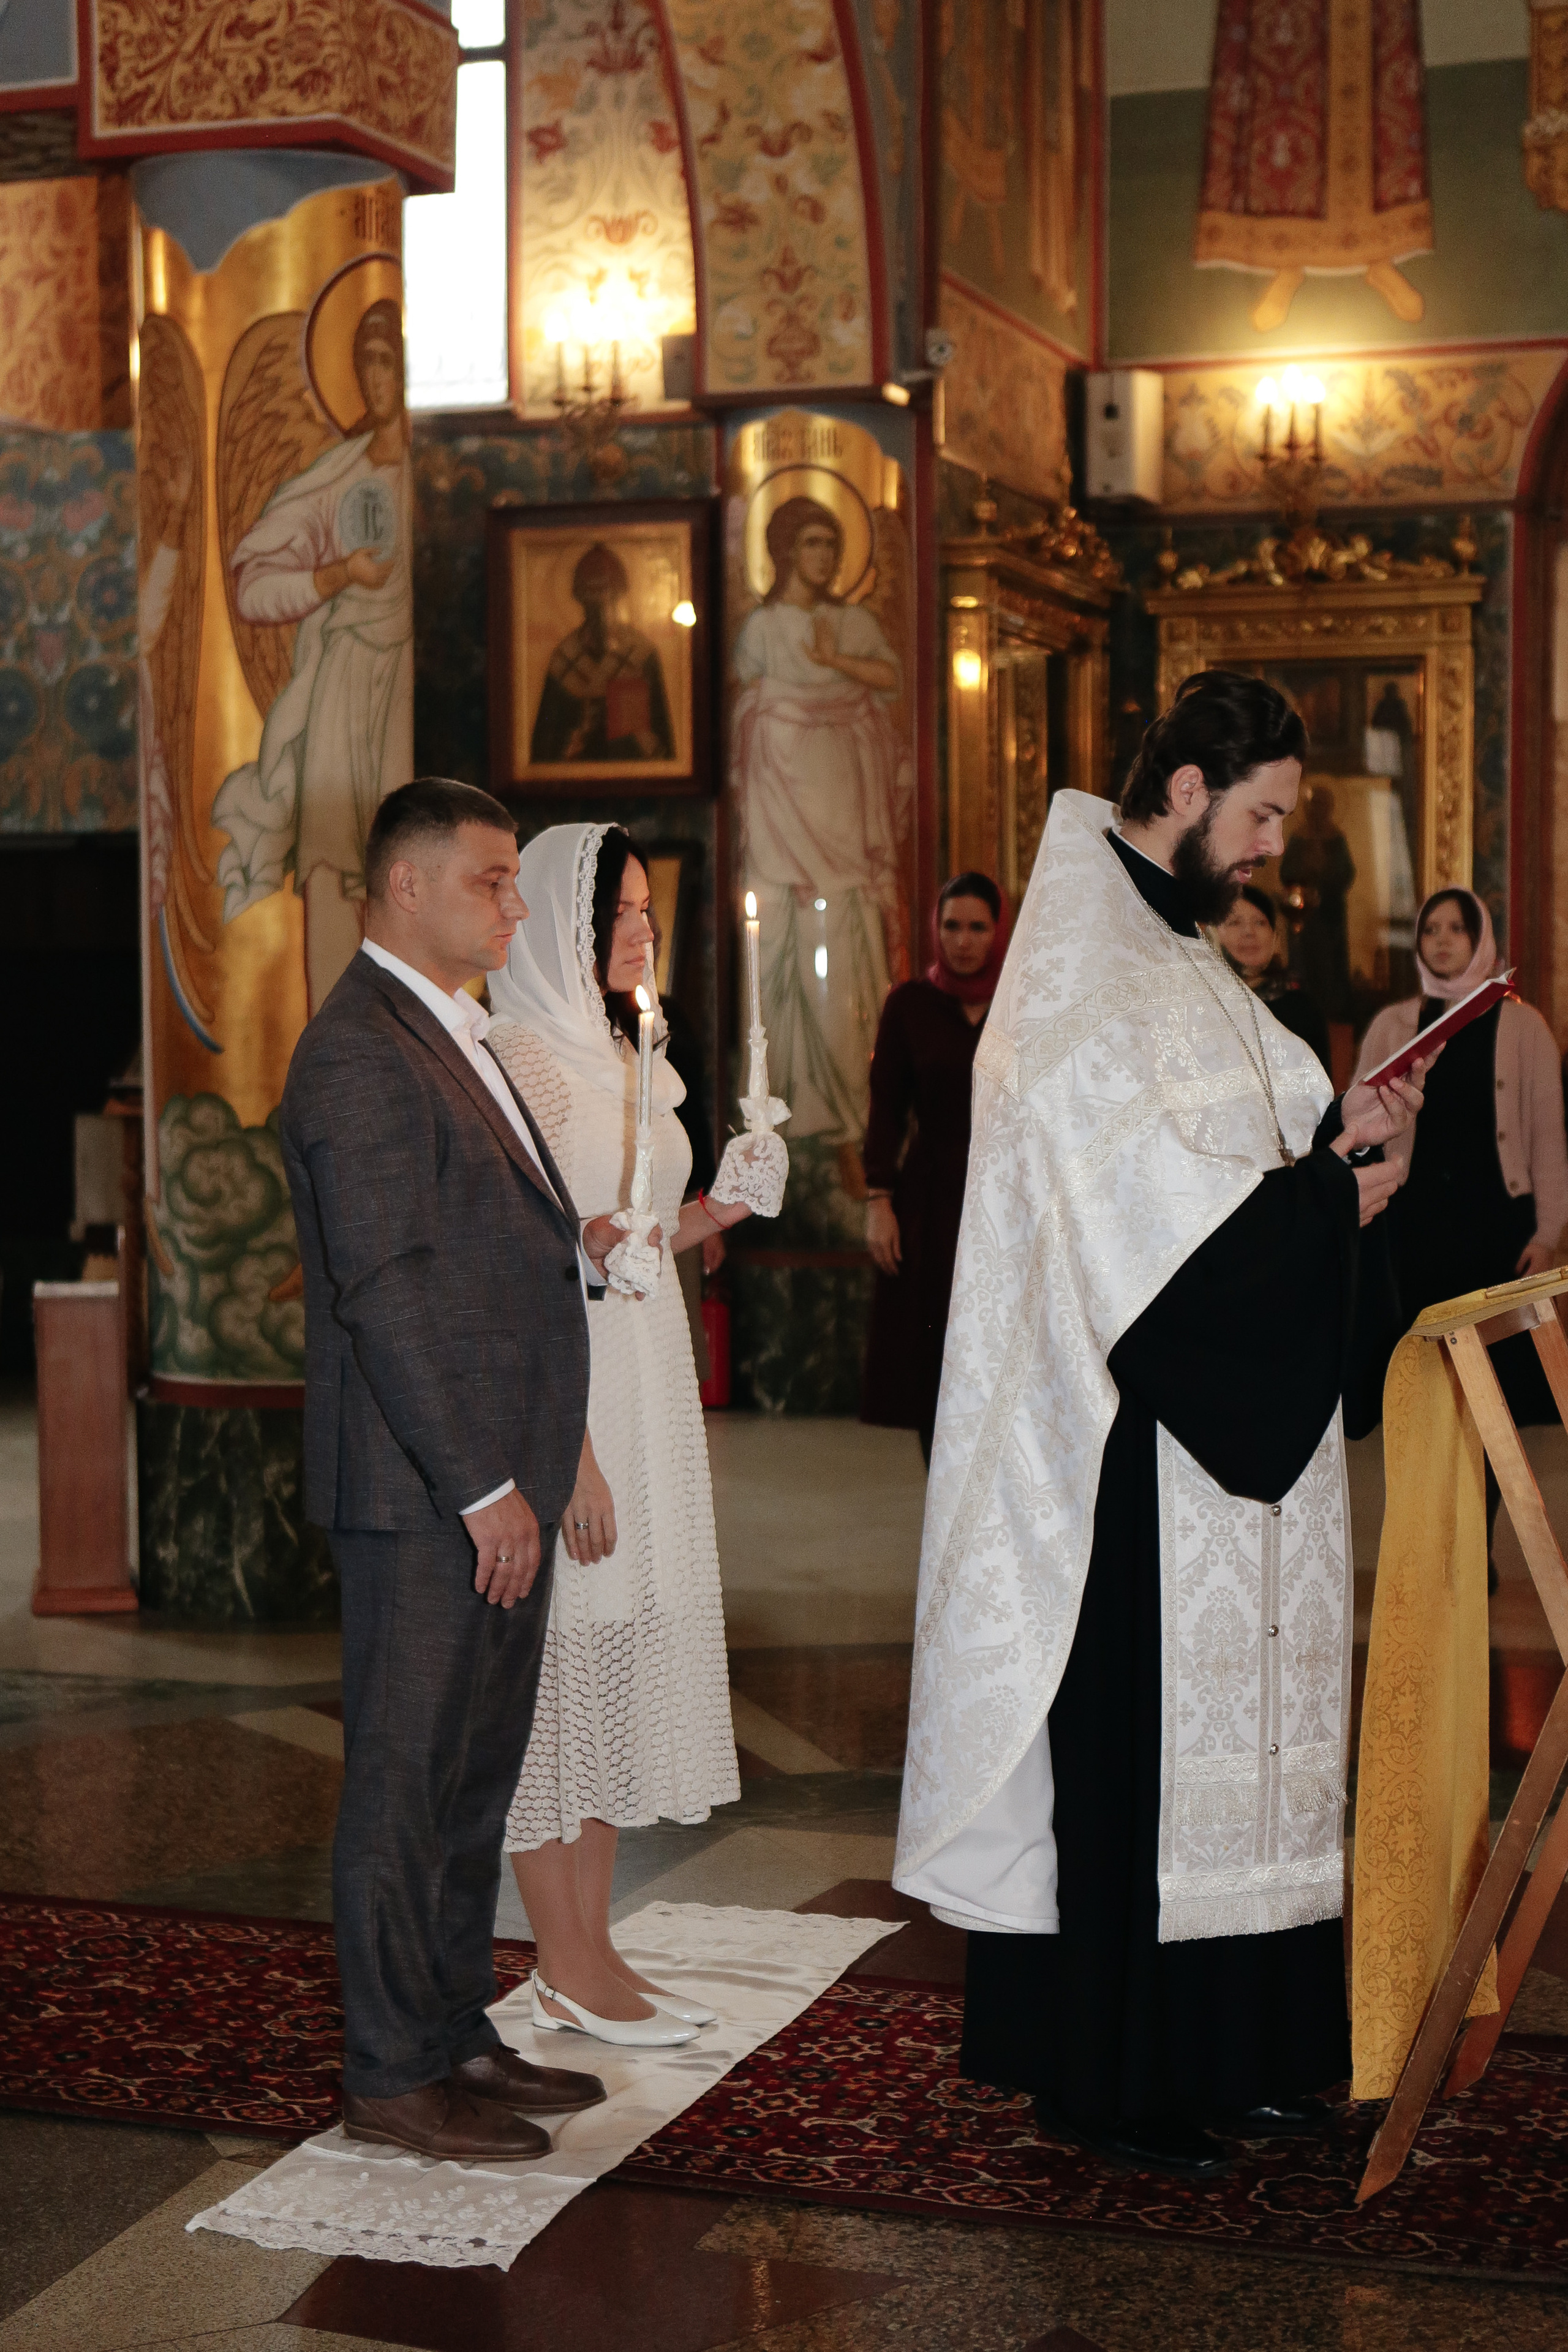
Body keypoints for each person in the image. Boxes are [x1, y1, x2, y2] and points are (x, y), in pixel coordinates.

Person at [893, 671, 1434, 2180]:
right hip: (1132, 1450)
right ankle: (1110, 2078)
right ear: (1187, 789)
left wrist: (1342, 1154)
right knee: (1137, 1768)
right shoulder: (1080, 969)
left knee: (1246, 1758)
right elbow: (1143, 1241)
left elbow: (1231, 1164)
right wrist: (1325, 1193)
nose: (1270, 849)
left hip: (1231, 1447)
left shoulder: (1179, 951)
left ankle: (1239, 2050)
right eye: (1258, 814)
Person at [278, 778, 612, 2162]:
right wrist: (482, 1484)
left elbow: (474, 1235)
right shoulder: (357, 1049)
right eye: (491, 880)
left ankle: (448, 2027)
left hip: (485, 1474)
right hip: (428, 1490)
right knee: (405, 1777)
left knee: (472, 1773)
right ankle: (387, 2068)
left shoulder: (448, 1029)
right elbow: (388, 1285)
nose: (516, 904)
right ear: (405, 885)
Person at [486, 823, 777, 2043]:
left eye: (650, 914)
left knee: (616, 1660)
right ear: (562, 922)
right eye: (620, 917)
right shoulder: (521, 1059)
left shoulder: (633, 1051)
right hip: (572, 1391)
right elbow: (517, 1260)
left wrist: (726, 1201)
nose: (642, 934)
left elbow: (636, 1241)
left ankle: (588, 1952)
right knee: (564, 1667)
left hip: (646, 1373)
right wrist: (567, 1458)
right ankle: (561, 1955)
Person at [214, 298, 413, 1014]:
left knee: (404, 872)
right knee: (333, 872)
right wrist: (336, 577)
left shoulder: (428, 478)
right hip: (343, 684)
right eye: (368, 362)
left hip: (403, 700)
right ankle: (331, 1053)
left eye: (389, 359)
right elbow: (252, 582)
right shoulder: (337, 479)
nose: (378, 376)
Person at [1355, 887, 1568, 1538]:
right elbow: (1360, 1124)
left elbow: (1546, 1136)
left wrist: (1549, 1231)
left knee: (1492, 1398)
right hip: (1414, 1233)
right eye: (1431, 930)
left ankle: (1473, 1546)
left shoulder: (1521, 1023)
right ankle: (1429, 1544)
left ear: (1481, 939)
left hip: (1496, 1233)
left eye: (1457, 929)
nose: (1442, 941)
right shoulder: (1394, 1024)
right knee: (1424, 1393)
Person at [732, 494, 910, 1158]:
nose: (823, 557)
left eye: (831, 545)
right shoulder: (762, 627)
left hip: (840, 791)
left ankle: (851, 1099)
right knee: (782, 944)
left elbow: (889, 680)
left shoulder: (851, 621)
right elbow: (746, 700)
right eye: (810, 544)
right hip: (778, 793)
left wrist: (835, 663)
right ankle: (792, 1103)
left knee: (845, 937)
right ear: (784, 552)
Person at [862, 872, 1008, 1461]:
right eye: (952, 926)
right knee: (937, 1361)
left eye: (978, 927)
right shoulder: (909, 1005)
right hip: (934, 1196)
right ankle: (946, 1503)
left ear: (1000, 931)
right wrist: (879, 1200)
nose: (964, 941)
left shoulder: (1025, 1003)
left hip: (1009, 1194)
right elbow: (886, 1109)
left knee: (1001, 1352)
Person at [529, 544, 675, 765]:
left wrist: (634, 731)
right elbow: (544, 745)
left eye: (608, 596)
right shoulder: (564, 660)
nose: (601, 606)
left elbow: (663, 743)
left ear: (619, 596)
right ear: (581, 599)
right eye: (592, 597)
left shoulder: (642, 655)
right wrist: (576, 736)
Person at [1214, 881, 1332, 1070]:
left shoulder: (1302, 1010)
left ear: (1275, 938)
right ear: (1212, 935)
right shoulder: (1201, 1005)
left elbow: (1322, 1093)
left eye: (1260, 923)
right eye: (1235, 922)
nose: (1249, 932)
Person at [1280, 780, 1355, 1021]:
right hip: (1304, 911)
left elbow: (1347, 872)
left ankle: (1333, 1009)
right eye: (1315, 805)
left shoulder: (1336, 838)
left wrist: (1326, 875)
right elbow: (1286, 872)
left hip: (1331, 911)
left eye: (1323, 805)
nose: (1318, 810)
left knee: (1331, 964)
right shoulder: (1298, 837)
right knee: (1304, 960)